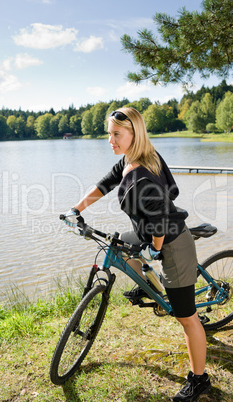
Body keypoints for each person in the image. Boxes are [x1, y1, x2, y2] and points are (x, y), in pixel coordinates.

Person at [62, 107, 211, 401]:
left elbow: (159, 220)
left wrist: (154, 249)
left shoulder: (142, 175)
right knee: (118, 244)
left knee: (186, 317)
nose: (110, 140)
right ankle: (150, 287)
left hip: (171, 242)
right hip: (151, 232)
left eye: (116, 134)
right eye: (109, 134)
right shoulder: (135, 158)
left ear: (134, 134)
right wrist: (76, 209)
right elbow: (105, 183)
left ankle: (199, 380)